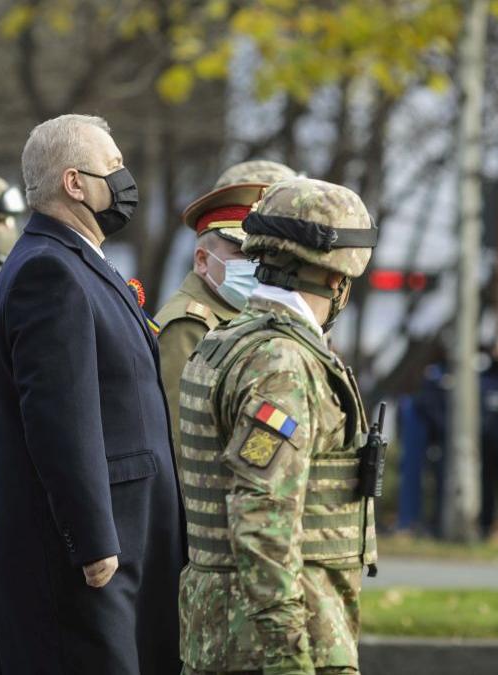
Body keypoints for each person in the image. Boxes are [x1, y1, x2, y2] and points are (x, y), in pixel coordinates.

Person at [0, 113, 184, 675]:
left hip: (125, 541)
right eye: (113, 167)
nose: (125, 179)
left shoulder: (78, 262)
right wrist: (91, 541)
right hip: (93, 557)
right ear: (74, 183)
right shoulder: (50, 271)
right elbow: (60, 419)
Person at [176, 176, 379, 674]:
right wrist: (289, 655)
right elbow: (263, 519)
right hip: (275, 644)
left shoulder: (228, 341)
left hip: (228, 634)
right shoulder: (281, 363)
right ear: (337, 280)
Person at [155, 159, 296, 452]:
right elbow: (181, 446)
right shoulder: (189, 326)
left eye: (261, 254)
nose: (256, 265)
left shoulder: (240, 315)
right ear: (202, 260)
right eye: (242, 253)